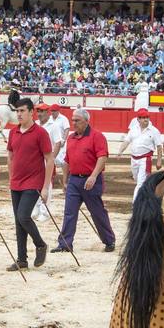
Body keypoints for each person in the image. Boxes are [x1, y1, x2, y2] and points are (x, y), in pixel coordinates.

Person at [53, 107, 116, 254]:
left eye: (77, 120)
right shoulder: (71, 138)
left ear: (86, 121)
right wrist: (65, 180)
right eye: (73, 120)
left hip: (91, 180)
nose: (74, 123)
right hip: (74, 181)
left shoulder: (97, 136)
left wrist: (93, 176)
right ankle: (65, 244)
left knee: (97, 212)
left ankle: (109, 240)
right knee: (69, 212)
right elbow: (67, 161)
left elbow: (102, 157)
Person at [6, 97, 53, 272]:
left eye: (22, 111)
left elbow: (49, 159)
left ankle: (40, 244)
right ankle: (22, 259)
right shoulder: (13, 132)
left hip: (33, 181)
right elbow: (10, 156)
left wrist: (46, 186)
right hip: (16, 182)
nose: (18, 114)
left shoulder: (40, 133)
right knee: (18, 221)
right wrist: (11, 177)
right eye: (17, 111)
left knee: (23, 216)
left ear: (31, 112)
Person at [119, 108, 164, 198]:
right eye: (143, 118)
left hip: (145, 159)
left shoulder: (154, 131)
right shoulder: (133, 129)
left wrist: (159, 161)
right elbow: (126, 141)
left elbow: (159, 147)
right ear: (138, 119)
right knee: (137, 179)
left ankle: (136, 203)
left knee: (140, 183)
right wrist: (120, 151)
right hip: (134, 159)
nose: (146, 119)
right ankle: (147, 194)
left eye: (147, 117)